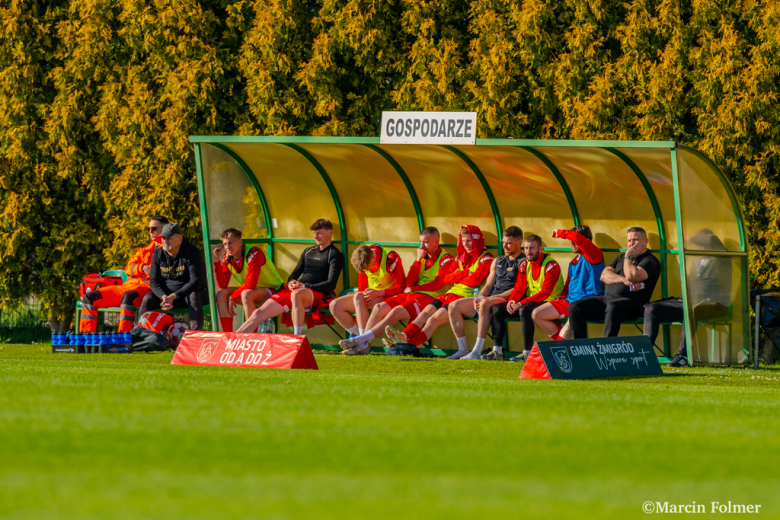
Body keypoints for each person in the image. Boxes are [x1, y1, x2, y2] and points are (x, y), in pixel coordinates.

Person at [337, 227, 455, 355]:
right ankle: (363, 346)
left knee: (395, 312)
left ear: (436, 242)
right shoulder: (422, 257)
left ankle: (359, 341)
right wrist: (417, 261)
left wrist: (414, 288)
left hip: (428, 297)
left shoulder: (446, 259)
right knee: (378, 308)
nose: (421, 246)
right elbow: (409, 282)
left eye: (425, 242)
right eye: (420, 241)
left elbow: (437, 284)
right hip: (411, 293)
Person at [383, 225, 494, 349]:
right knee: (423, 315)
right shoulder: (461, 257)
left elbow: (474, 281)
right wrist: (464, 273)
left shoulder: (486, 258)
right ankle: (402, 336)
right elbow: (446, 279)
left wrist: (456, 276)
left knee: (433, 320)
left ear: (476, 240)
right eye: (463, 241)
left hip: (464, 297)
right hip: (450, 294)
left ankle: (406, 345)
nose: (465, 244)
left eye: (469, 241)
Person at [236, 218, 344, 335]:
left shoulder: (334, 254)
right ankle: (233, 340)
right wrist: (291, 282)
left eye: (319, 233)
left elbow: (331, 284)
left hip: (316, 292)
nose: (316, 236)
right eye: (314, 233)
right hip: (296, 290)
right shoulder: (308, 251)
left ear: (330, 233)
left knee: (296, 294)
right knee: (258, 313)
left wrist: (304, 285)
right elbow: (295, 273)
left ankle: (297, 337)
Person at [643, 230, 732, 367]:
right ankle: (645, 353)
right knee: (652, 308)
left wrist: (690, 238)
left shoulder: (721, 259)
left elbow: (713, 240)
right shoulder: (695, 263)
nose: (697, 247)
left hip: (715, 304)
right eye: (697, 244)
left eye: (701, 243)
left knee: (692, 310)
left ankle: (683, 355)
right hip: (689, 303)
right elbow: (690, 285)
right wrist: (682, 298)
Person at [568, 226, 661, 340]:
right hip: (608, 299)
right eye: (629, 240)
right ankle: (581, 346)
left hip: (632, 303)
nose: (631, 244)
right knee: (575, 307)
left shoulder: (650, 260)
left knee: (613, 306)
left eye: (635, 240)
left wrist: (628, 257)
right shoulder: (620, 258)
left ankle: (607, 346)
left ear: (645, 241)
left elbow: (632, 276)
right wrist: (623, 280)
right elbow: (604, 276)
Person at [79, 216, 168, 332]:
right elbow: (128, 268)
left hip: (146, 289)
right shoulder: (144, 250)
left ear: (165, 229)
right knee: (89, 298)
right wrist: (142, 267)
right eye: (149, 229)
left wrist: (139, 270)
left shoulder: (168, 251)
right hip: (128, 286)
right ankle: (86, 337)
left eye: (154, 228)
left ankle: (123, 337)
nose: (150, 232)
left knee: (127, 297)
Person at [448, 226, 525, 360]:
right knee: (453, 306)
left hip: (509, 299)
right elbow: (489, 284)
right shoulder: (498, 260)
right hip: (490, 298)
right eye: (503, 243)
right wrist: (480, 296)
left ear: (519, 242)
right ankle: (462, 349)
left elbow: (519, 289)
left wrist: (491, 298)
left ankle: (476, 352)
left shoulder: (524, 261)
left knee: (485, 303)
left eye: (509, 243)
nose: (505, 246)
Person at [531, 225, 605, 342]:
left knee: (573, 314)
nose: (572, 244)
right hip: (569, 300)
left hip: (588, 301)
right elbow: (568, 284)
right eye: (571, 241)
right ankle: (563, 343)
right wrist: (563, 296)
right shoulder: (573, 262)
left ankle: (560, 348)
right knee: (536, 314)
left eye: (574, 241)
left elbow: (578, 237)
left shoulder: (594, 254)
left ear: (586, 241)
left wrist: (560, 233)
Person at [502, 234, 565, 362]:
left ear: (540, 249)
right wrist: (512, 300)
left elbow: (545, 293)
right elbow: (519, 288)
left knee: (524, 310)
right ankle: (497, 350)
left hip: (552, 301)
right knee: (498, 308)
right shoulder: (525, 264)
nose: (528, 251)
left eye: (532, 248)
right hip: (534, 300)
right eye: (526, 248)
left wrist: (521, 303)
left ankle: (527, 352)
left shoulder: (551, 265)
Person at [212, 227, 284, 332]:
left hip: (275, 290)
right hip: (253, 291)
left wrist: (233, 296)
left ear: (240, 242)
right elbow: (222, 285)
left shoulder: (253, 253)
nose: (227, 247)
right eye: (225, 244)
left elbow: (251, 284)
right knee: (221, 294)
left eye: (231, 243)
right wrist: (217, 261)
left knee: (246, 294)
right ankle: (228, 336)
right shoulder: (227, 257)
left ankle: (251, 336)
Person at [138, 223, 207, 330]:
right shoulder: (158, 254)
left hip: (186, 295)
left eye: (169, 238)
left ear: (180, 239)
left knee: (194, 296)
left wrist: (175, 295)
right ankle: (142, 333)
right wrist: (163, 296)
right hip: (166, 298)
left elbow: (196, 281)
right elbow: (154, 282)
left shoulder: (192, 253)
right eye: (164, 238)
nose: (165, 241)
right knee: (148, 298)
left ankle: (195, 334)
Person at [328, 244, 406, 338]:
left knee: (358, 297)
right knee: (334, 305)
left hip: (391, 297)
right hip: (372, 296)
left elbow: (401, 287)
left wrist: (378, 293)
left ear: (374, 258)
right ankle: (357, 336)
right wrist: (359, 293)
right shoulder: (363, 254)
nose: (367, 270)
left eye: (368, 268)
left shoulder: (391, 258)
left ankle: (362, 341)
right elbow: (362, 279)